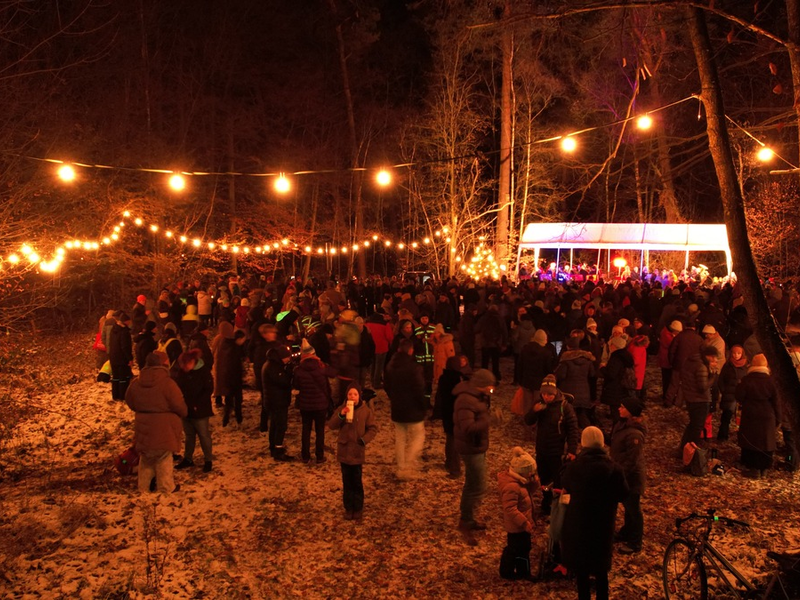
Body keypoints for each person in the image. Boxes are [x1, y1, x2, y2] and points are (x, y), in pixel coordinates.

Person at [561, 426, 628, 600]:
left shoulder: (575, 467)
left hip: (580, 522)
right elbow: (623, 494)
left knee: (582, 570)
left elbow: (566, 485)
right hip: (603, 523)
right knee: (600, 568)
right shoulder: (614, 469)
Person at [125, 351, 188, 493]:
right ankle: (166, 487)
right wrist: (183, 413)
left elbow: (129, 400)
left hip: (143, 427)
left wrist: (142, 410)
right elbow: (179, 405)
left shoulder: (136, 383)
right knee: (164, 458)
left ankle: (143, 488)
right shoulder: (167, 383)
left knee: (146, 459)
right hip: (164, 428)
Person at [523, 374, 579, 515]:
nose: (546, 397)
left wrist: (572, 450)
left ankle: (558, 506)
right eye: (544, 394)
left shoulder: (565, 407)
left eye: (549, 394)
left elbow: (573, 429)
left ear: (555, 393)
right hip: (542, 449)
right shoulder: (540, 404)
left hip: (558, 451)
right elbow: (528, 421)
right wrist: (534, 411)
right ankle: (546, 501)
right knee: (544, 478)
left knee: (558, 480)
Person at [453, 368, 495, 546]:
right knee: (477, 486)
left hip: (477, 445)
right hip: (470, 448)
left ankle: (468, 519)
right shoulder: (465, 400)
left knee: (473, 484)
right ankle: (465, 521)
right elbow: (468, 427)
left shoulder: (477, 397)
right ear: (481, 386)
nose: (491, 389)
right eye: (489, 386)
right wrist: (489, 420)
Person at [327, 383, 378, 521]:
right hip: (344, 451)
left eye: (355, 394)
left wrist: (363, 440)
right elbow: (331, 425)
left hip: (357, 451)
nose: (352, 397)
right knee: (346, 482)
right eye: (350, 394)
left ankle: (358, 507)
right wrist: (340, 415)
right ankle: (348, 508)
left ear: (359, 396)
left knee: (356, 481)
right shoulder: (342, 408)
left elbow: (372, 429)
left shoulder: (365, 411)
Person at [385, 338, 428, 480]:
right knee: (418, 436)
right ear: (410, 350)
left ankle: (401, 467)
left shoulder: (391, 366)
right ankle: (409, 462)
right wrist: (424, 406)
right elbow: (419, 389)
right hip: (413, 408)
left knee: (400, 438)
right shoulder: (414, 368)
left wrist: (394, 397)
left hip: (397, 407)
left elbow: (387, 385)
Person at [609, 397, 647, 555]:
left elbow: (632, 460)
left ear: (630, 412)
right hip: (622, 473)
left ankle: (635, 541)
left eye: (623, 407)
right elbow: (615, 442)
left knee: (633, 509)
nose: (619, 408)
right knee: (627, 506)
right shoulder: (622, 425)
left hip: (631, 478)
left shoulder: (634, 435)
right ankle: (626, 532)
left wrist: (619, 476)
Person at [735, 353, 781, 478]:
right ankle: (764, 468)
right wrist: (778, 417)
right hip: (767, 414)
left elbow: (738, 395)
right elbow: (776, 401)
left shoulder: (747, 379)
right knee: (766, 441)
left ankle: (753, 467)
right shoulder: (771, 381)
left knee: (751, 440)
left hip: (751, 413)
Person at [497, 446, 538, 582]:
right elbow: (510, 509)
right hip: (517, 526)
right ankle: (507, 571)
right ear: (522, 473)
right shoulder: (512, 487)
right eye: (530, 473)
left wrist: (534, 481)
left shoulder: (521, 483)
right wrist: (524, 522)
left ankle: (522, 571)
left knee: (524, 548)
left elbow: (530, 492)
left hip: (523, 523)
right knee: (515, 549)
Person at [172, 349, 214, 473]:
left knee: (203, 435)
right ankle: (188, 458)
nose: (184, 367)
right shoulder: (181, 372)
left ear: (192, 362)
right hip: (185, 409)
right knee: (189, 435)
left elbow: (208, 389)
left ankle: (208, 460)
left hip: (200, 410)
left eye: (186, 365)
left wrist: (197, 404)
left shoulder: (203, 372)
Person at [293, 339, 332, 464]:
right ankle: (319, 456)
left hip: (305, 405)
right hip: (321, 405)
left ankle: (305, 456)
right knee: (320, 431)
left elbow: (296, 387)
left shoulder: (298, 371)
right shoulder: (322, 368)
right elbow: (327, 387)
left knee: (306, 429)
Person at [678, 346, 720, 454]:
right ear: (709, 356)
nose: (715, 360)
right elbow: (702, 387)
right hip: (699, 400)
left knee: (692, 425)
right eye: (714, 358)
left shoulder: (690, 361)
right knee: (696, 428)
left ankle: (683, 448)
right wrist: (713, 377)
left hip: (690, 397)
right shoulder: (701, 366)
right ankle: (689, 451)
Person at [434, 355, 468, 478]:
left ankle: (449, 462)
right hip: (456, 413)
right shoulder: (459, 379)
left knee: (450, 439)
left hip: (446, 412)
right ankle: (455, 469)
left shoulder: (444, 378)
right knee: (455, 442)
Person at [262, 344, 295, 461]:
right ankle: (278, 450)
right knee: (281, 426)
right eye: (287, 357)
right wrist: (290, 373)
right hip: (277, 401)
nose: (288, 359)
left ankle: (273, 447)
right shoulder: (274, 367)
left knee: (275, 425)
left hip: (274, 400)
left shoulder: (273, 364)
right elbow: (284, 382)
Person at [555, 335, 597, 428]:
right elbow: (592, 374)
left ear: (568, 347)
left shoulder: (566, 360)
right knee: (582, 414)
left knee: (568, 414)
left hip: (568, 392)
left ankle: (571, 432)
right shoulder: (587, 360)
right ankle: (588, 432)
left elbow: (561, 375)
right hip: (584, 392)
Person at [717, 345, 748, 441]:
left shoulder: (746, 366)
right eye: (734, 353)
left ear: (742, 354)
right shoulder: (727, 365)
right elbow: (721, 379)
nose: (736, 355)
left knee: (742, 419)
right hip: (729, 395)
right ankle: (722, 436)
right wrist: (724, 391)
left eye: (738, 353)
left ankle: (742, 438)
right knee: (726, 416)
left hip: (741, 397)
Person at [109, 312, 134, 401]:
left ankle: (116, 395)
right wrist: (130, 358)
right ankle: (123, 395)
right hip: (122, 358)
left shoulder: (114, 329)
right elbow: (125, 347)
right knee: (124, 377)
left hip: (113, 356)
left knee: (115, 377)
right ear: (126, 321)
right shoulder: (124, 332)